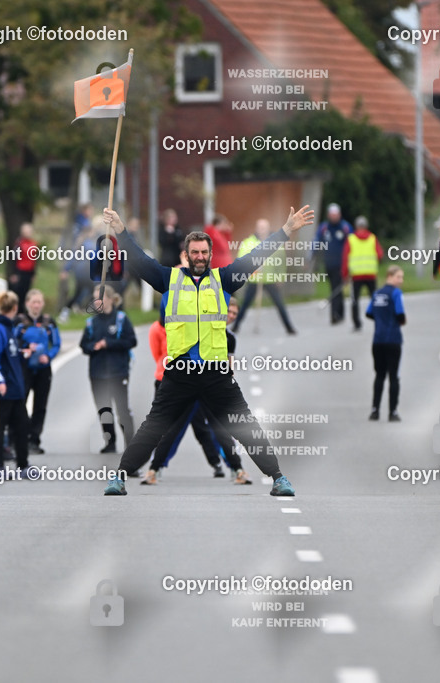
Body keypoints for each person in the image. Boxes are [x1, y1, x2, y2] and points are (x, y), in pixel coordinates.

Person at [100, 204, 315, 497]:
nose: (200, 257)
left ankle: (278, 478)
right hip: (180, 372)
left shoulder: (223, 279)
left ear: (210, 255)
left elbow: (255, 258)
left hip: (216, 372)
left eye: (204, 252)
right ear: (186, 255)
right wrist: (121, 231)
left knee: (245, 425)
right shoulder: (168, 279)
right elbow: (137, 260)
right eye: (195, 253)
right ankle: (120, 477)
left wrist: (286, 231)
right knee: (154, 428)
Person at [141, 262, 249, 485]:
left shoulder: (229, 339)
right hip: (186, 381)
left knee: (219, 428)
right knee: (173, 428)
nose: (231, 316)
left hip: (212, 384)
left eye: (235, 314)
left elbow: (229, 366)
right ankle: (154, 468)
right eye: (229, 311)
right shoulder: (199, 320)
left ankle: (236, 468)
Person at [80, 284, 136, 454]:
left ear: (111, 299)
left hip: (118, 372)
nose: (98, 302)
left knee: (122, 409)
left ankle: (131, 445)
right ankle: (110, 442)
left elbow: (131, 341)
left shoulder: (121, 319)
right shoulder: (91, 322)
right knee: (104, 409)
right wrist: (93, 347)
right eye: (96, 298)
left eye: (101, 298)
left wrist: (109, 344)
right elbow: (83, 345)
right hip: (97, 373)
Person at [0, 291, 32, 477]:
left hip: (15, 389)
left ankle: (23, 466)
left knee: (21, 426)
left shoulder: (7, 328)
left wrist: (23, 353)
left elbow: (10, 354)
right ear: (15, 308)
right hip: (1, 389)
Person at [231, 218, 296, 335]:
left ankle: (289, 327)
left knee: (279, 304)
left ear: (268, 228)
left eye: (264, 227)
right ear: (256, 228)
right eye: (260, 227)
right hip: (255, 279)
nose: (262, 230)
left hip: (270, 279)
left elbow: (281, 261)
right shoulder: (249, 242)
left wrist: (280, 277)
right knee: (245, 304)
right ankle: (236, 326)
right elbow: (242, 257)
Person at [15, 289, 60, 455]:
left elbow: (56, 344)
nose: (36, 305)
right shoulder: (19, 321)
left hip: (43, 369)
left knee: (40, 405)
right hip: (24, 368)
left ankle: (34, 439)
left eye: (39, 302)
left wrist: (48, 357)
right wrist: (26, 349)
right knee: (20, 402)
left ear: (42, 304)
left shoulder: (49, 322)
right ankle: (19, 436)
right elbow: (13, 343)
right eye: (33, 302)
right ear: (27, 303)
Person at [366, 267, 406, 422]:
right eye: (399, 277)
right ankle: (393, 412)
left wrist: (381, 321)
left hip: (378, 340)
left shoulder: (376, 293)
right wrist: (398, 322)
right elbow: (400, 313)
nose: (401, 281)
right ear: (389, 276)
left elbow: (369, 313)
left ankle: (375, 410)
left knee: (379, 375)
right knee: (394, 377)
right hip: (393, 340)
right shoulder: (396, 293)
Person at [341, 216, 384, 331]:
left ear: (356, 226)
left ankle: (357, 324)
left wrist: (345, 275)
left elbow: (345, 259)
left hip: (356, 275)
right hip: (371, 274)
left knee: (355, 300)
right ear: (366, 226)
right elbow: (380, 254)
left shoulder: (351, 239)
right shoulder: (372, 238)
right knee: (375, 300)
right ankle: (379, 321)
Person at [315, 203, 352, 325]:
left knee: (336, 287)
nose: (334, 217)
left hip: (341, 264)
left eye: (335, 215)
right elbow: (316, 241)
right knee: (336, 288)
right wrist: (311, 257)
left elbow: (352, 244)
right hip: (328, 263)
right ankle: (339, 313)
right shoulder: (324, 227)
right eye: (332, 215)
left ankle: (335, 314)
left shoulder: (345, 227)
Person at [9, 222, 38, 304]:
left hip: (28, 273)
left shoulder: (33, 244)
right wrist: (14, 273)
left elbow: (33, 260)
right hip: (20, 272)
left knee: (26, 294)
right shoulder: (19, 244)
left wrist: (33, 274)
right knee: (17, 294)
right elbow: (14, 259)